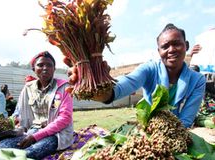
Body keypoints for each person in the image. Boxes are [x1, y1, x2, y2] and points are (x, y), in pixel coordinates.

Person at [66, 23, 206, 128]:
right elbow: (124, 85)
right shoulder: (150, 69)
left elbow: (186, 119)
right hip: (147, 127)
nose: (171, 50)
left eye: (177, 44)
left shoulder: (197, 79)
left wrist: (169, 137)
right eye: (165, 46)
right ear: (159, 51)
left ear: (186, 46)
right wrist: (100, 90)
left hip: (175, 130)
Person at [0, 51, 74, 159]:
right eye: (40, 65)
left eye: (49, 65)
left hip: (57, 134)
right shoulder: (28, 88)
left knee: (29, 153)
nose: (45, 68)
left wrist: (35, 137)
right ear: (34, 69)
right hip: (32, 130)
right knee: (3, 146)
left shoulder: (63, 87)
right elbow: (19, 112)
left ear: (54, 69)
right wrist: (11, 125)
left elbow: (65, 118)